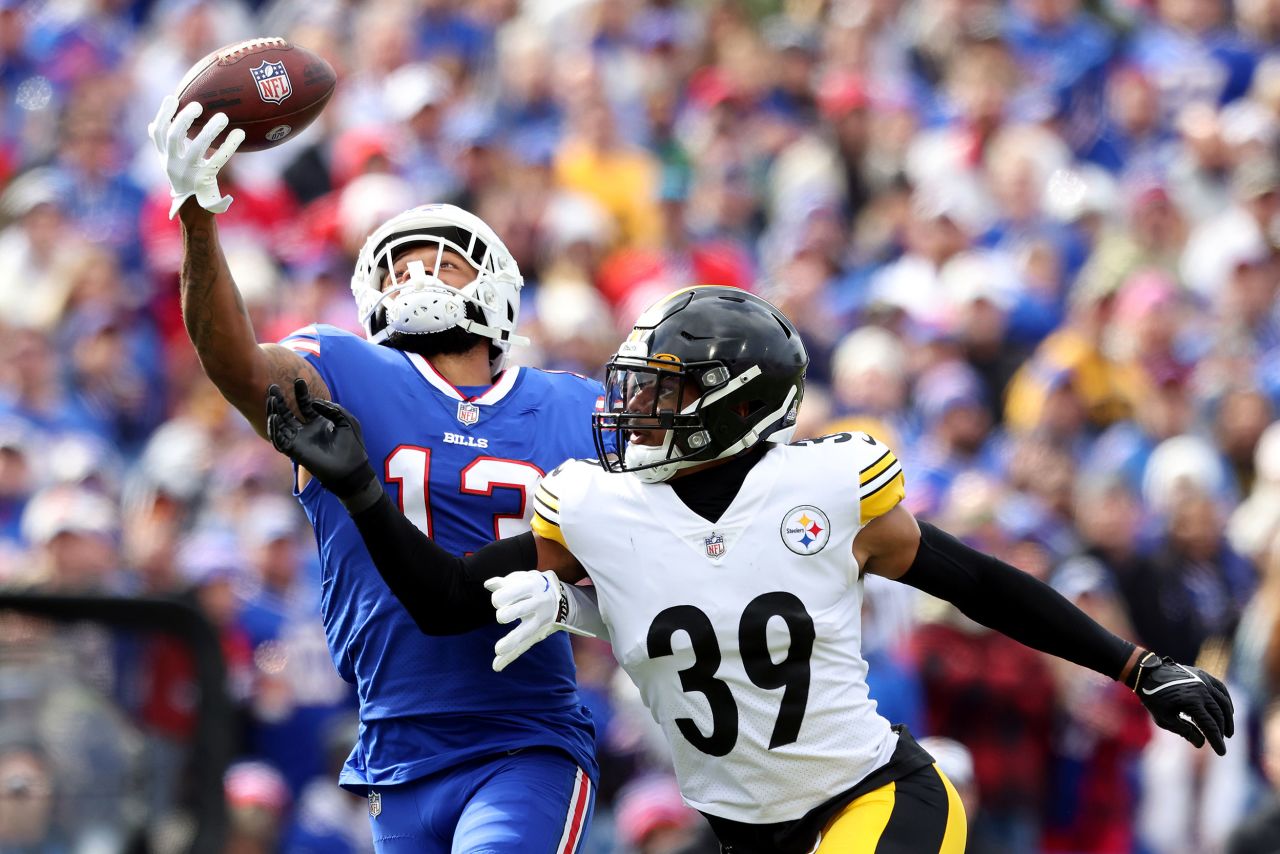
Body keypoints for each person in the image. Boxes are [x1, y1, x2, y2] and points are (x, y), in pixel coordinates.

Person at [266, 286, 1236, 854]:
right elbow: (443, 603)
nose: (634, 408)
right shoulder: (597, 506)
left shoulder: (824, 485)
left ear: (733, 404)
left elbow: (974, 581)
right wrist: (358, 492)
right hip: (740, 829)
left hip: (873, 797)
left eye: (663, 390)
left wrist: (1136, 665)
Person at [146, 97, 601, 852]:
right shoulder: (344, 368)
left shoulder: (571, 404)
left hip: (524, 739)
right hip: (393, 748)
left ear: (497, 288)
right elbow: (233, 364)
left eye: (442, 260)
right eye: (399, 265)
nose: (417, 275)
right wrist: (198, 219)